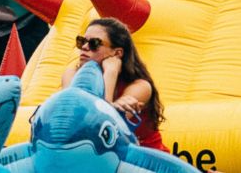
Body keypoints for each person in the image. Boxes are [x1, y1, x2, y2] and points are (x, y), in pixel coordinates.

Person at [61, 17, 168, 152]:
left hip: (144, 163)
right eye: (81, 41)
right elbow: (72, 120)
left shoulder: (140, 87)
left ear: (117, 53)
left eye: (94, 43)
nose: (84, 47)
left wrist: (111, 72)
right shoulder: (71, 74)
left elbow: (100, 126)